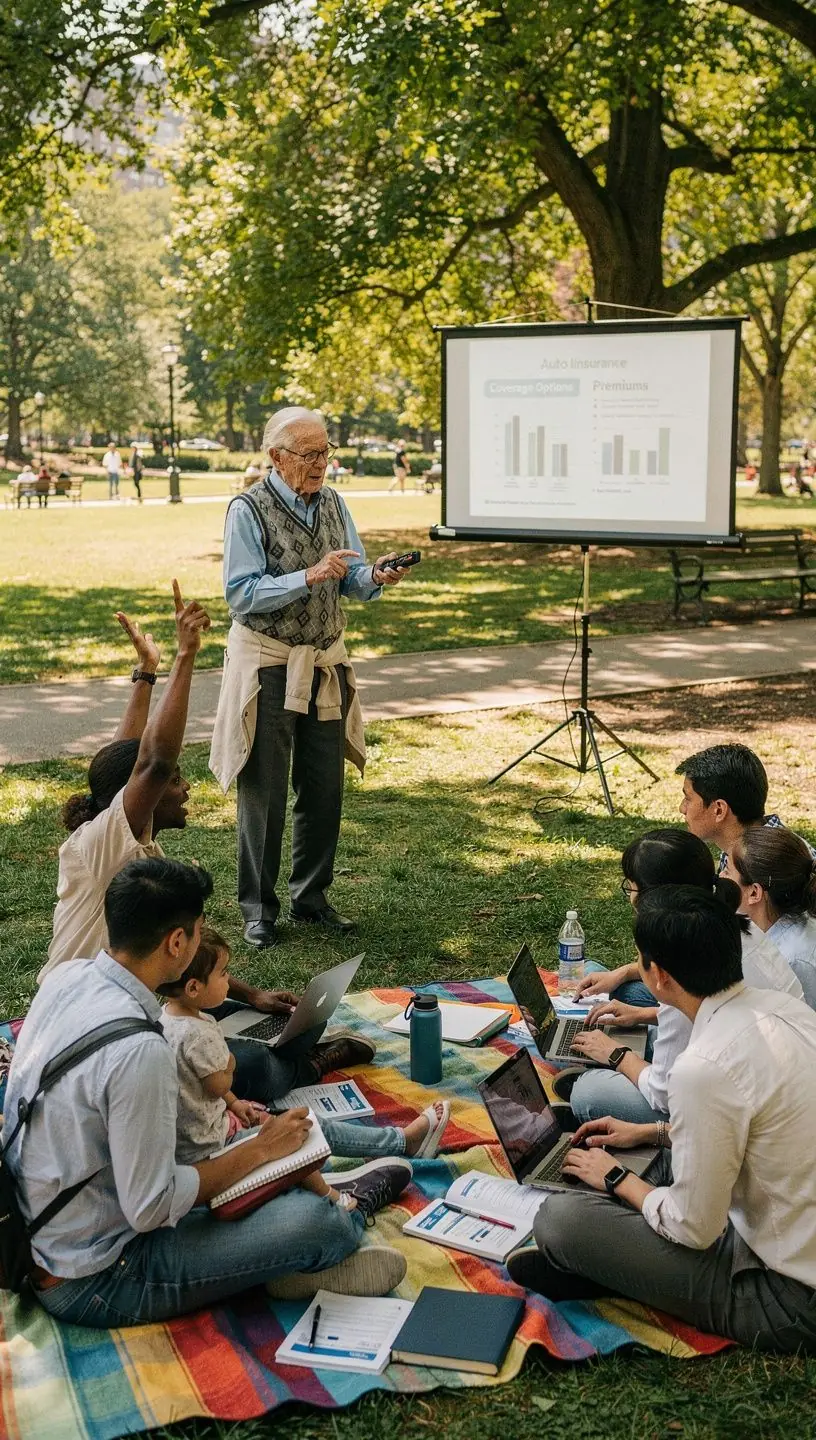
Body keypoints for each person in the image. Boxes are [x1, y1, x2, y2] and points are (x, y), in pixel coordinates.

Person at [5, 858, 413, 1324]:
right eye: (199, 929)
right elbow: (151, 1207)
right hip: (98, 1275)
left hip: (48, 1229)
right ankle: (341, 1219)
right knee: (319, 1226)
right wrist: (259, 1150)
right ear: (177, 942)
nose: (201, 937)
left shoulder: (65, 979)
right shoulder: (141, 1050)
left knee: (262, 1166)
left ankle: (281, 1259)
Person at [40, 591, 374, 1100]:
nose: (185, 787)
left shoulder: (127, 839)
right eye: (176, 780)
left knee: (227, 1014)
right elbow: (147, 762)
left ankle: (275, 1039)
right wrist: (185, 655)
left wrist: (146, 673)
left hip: (135, 997)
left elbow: (128, 756)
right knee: (253, 1066)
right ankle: (306, 1065)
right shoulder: (102, 845)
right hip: (85, 1020)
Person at [507, 888, 816, 1353]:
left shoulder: (704, 1066)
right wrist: (651, 1133)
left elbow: (695, 1228)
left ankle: (621, 1272)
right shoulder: (785, 1011)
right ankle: (628, 1263)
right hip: (782, 1225)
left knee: (560, 1220)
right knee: (640, 1158)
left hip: (788, 1296)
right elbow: (763, 1133)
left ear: (659, 976)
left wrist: (615, 1179)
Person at [210, 406, 414, 950]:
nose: (321, 463)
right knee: (266, 790)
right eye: (310, 454)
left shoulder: (333, 502)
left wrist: (377, 576)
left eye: (326, 452)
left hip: (324, 663)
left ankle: (312, 896)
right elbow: (241, 593)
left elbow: (353, 579)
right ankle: (258, 908)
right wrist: (309, 574)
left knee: (323, 787)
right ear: (276, 457)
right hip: (270, 663)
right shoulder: (247, 509)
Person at [565, 828, 803, 1124]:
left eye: (632, 886)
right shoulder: (734, 923)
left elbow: (664, 1095)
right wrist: (643, 1014)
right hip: (780, 1073)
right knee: (628, 1005)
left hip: (748, 1103)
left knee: (588, 1092)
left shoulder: (685, 975)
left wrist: (616, 1055)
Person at [160, 924, 450, 1165]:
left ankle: (298, 1050)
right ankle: (398, 1142)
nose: (228, 979)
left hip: (222, 1119)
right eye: (224, 974)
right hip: (215, 1142)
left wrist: (254, 996)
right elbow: (218, 1084)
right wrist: (229, 1064)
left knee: (305, 1021)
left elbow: (216, 1092)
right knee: (306, 1125)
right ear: (193, 986)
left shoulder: (174, 1018)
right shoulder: (196, 1036)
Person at [675, 742, 809, 875]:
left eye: (688, 798)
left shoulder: (768, 866)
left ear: (719, 810)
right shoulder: (740, 848)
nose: (682, 808)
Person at [725, 825, 816, 1007]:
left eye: (727, 871)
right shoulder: (776, 924)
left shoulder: (793, 959)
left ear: (754, 893)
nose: (720, 877)